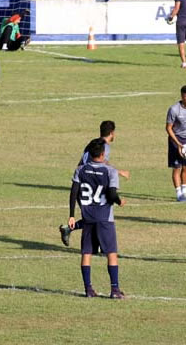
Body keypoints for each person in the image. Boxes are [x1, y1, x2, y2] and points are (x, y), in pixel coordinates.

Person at [68, 138, 127, 299]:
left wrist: (72, 215)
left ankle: (88, 289)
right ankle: (114, 290)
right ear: (102, 154)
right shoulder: (110, 171)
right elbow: (111, 193)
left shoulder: (80, 169)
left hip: (87, 217)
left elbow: (73, 192)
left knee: (86, 253)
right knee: (111, 253)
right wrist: (119, 200)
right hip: (104, 218)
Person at [60, 121, 131, 246]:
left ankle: (69, 229)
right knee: (98, 215)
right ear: (112, 133)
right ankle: (97, 246)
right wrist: (119, 172)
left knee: (91, 216)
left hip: (82, 181)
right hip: (89, 182)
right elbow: (102, 163)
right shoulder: (105, 147)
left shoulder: (92, 143)